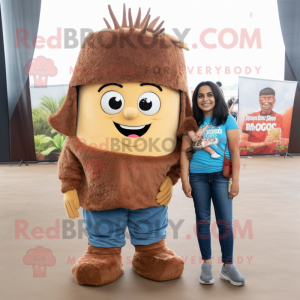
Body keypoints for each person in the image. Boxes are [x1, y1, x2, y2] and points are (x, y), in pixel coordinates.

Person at [180, 81, 245, 286]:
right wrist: (184, 180)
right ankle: (206, 264)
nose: (205, 99)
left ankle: (228, 266)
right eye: (200, 95)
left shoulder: (226, 120)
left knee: (225, 221)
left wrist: (235, 181)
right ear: (195, 99)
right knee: (203, 221)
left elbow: (235, 151)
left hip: (220, 177)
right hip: (197, 177)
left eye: (209, 94)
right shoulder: (190, 123)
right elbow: (184, 152)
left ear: (216, 96)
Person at [240, 87, 283, 155]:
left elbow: (282, 141)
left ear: (274, 100)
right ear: (259, 100)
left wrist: (281, 142)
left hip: (273, 157)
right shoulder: (250, 117)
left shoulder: (279, 117)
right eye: (263, 98)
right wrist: (263, 144)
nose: (266, 101)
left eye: (270, 98)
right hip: (254, 156)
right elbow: (242, 143)